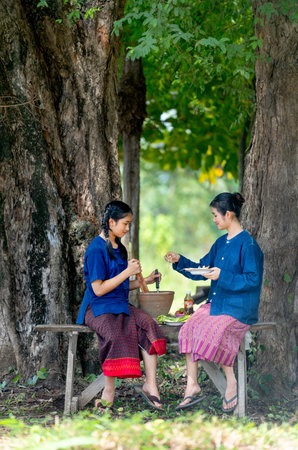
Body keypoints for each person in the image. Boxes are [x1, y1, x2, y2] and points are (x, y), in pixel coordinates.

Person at [165, 192, 264, 413]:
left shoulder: (248, 245)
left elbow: (253, 280)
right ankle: (192, 386)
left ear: (228, 214)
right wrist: (180, 261)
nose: (213, 220)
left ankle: (231, 381)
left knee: (214, 331)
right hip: (217, 305)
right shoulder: (220, 243)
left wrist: (223, 276)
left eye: (215, 215)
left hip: (239, 308)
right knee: (189, 328)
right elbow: (203, 269)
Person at [77, 200, 166, 411]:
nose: (127, 228)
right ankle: (108, 392)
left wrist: (147, 280)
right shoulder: (95, 249)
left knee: (149, 325)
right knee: (115, 334)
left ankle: (151, 385)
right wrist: (126, 272)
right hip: (97, 307)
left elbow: (121, 284)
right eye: (125, 224)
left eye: (129, 224)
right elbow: (98, 289)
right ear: (111, 222)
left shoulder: (121, 249)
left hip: (119, 304)